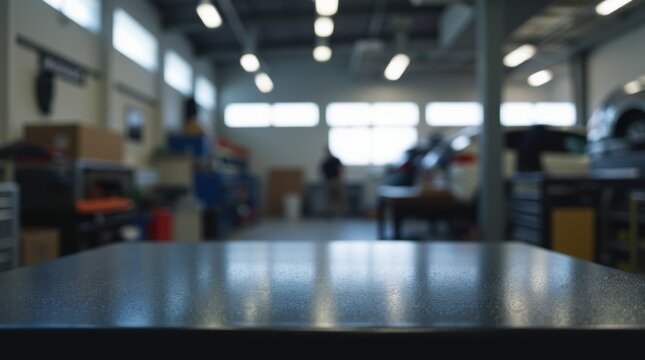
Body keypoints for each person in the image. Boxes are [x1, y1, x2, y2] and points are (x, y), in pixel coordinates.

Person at [320, 147, 346, 217]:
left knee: (340, 197)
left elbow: (341, 169)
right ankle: (331, 212)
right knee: (330, 198)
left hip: (336, 180)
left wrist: (342, 179)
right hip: (328, 181)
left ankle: (341, 212)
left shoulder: (336, 160)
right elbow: (321, 172)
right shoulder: (325, 162)